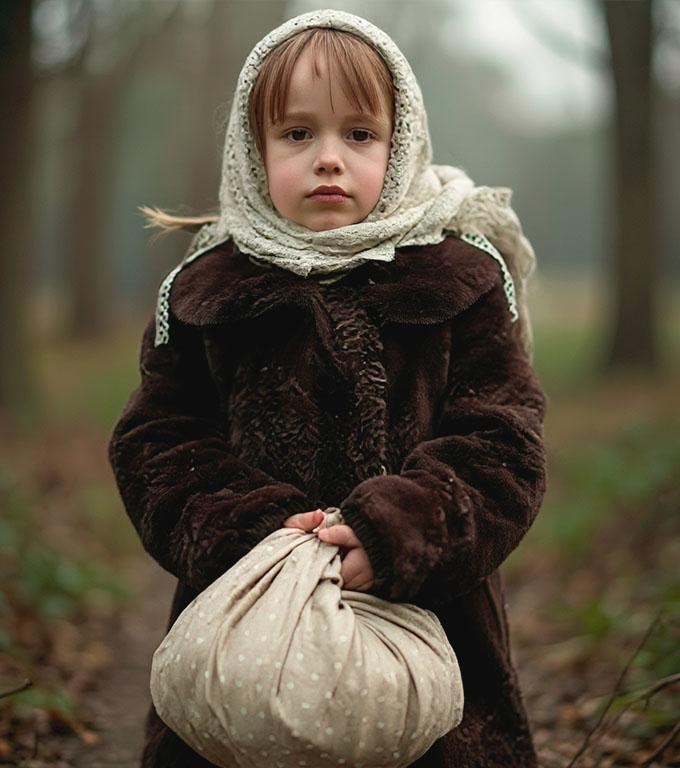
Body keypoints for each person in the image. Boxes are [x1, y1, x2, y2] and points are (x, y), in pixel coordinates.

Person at [108, 9, 547, 768]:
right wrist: (266, 541)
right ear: (254, 150)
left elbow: (501, 444)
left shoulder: (460, 279)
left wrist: (396, 530)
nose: (329, 160)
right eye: (298, 134)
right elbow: (157, 447)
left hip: (433, 632)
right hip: (250, 638)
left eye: (360, 134)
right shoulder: (204, 294)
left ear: (401, 140)